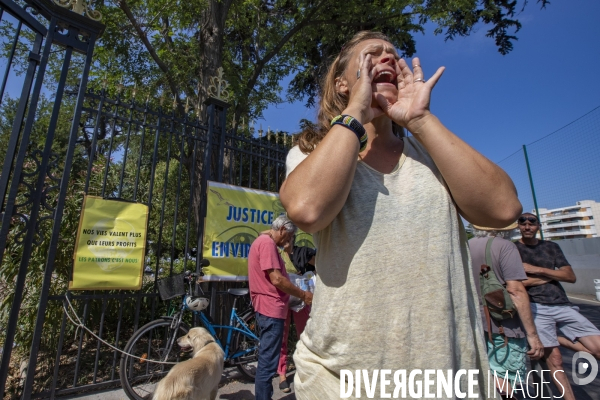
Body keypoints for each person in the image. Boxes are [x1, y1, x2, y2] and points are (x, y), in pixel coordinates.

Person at [280, 30, 522, 399]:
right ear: (343, 83)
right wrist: (356, 114)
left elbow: (504, 210)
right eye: (372, 54)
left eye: (393, 54)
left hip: (447, 376)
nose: (388, 58)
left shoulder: (430, 152)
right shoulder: (314, 151)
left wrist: (421, 120)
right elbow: (306, 210)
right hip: (340, 380)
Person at [515, 212, 600, 400]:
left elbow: (570, 277)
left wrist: (535, 270)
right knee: (556, 361)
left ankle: (559, 339)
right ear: (518, 226)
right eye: (523, 223)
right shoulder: (512, 250)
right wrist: (552, 274)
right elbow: (516, 284)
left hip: (563, 305)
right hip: (536, 308)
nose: (527, 226)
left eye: (532, 223)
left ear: (538, 226)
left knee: (597, 349)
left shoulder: (551, 247)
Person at [469, 223, 544, 397]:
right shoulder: (504, 246)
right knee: (503, 381)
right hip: (503, 325)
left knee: (484, 375)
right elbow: (515, 290)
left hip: (474, 320)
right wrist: (533, 335)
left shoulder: (467, 245)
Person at [248, 216, 313, 400]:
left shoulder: (263, 241)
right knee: (268, 364)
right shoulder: (267, 244)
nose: (288, 241)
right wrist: (303, 295)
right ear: (283, 229)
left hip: (269, 308)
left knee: (267, 360)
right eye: (288, 236)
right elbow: (277, 279)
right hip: (271, 309)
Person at [277, 238, 313, 393]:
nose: (286, 240)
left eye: (290, 237)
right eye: (284, 236)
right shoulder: (276, 253)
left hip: (302, 300)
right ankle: (282, 375)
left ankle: (304, 370)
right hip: (283, 299)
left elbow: (320, 265)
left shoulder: (303, 252)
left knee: (304, 336)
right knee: (282, 337)